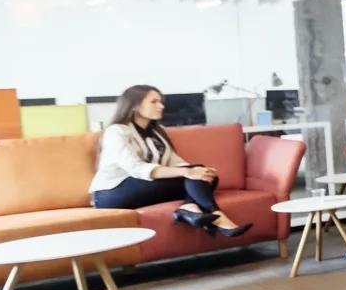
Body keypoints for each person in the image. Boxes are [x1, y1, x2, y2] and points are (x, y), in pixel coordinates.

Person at [89, 84, 250, 237]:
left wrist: (195, 171)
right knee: (194, 174)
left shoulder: (158, 133)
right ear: (134, 105)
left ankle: (189, 207)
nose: (161, 106)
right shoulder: (117, 131)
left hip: (143, 188)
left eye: (161, 101)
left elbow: (175, 162)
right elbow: (136, 169)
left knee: (206, 175)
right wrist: (187, 172)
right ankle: (216, 215)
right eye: (154, 102)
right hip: (112, 194)